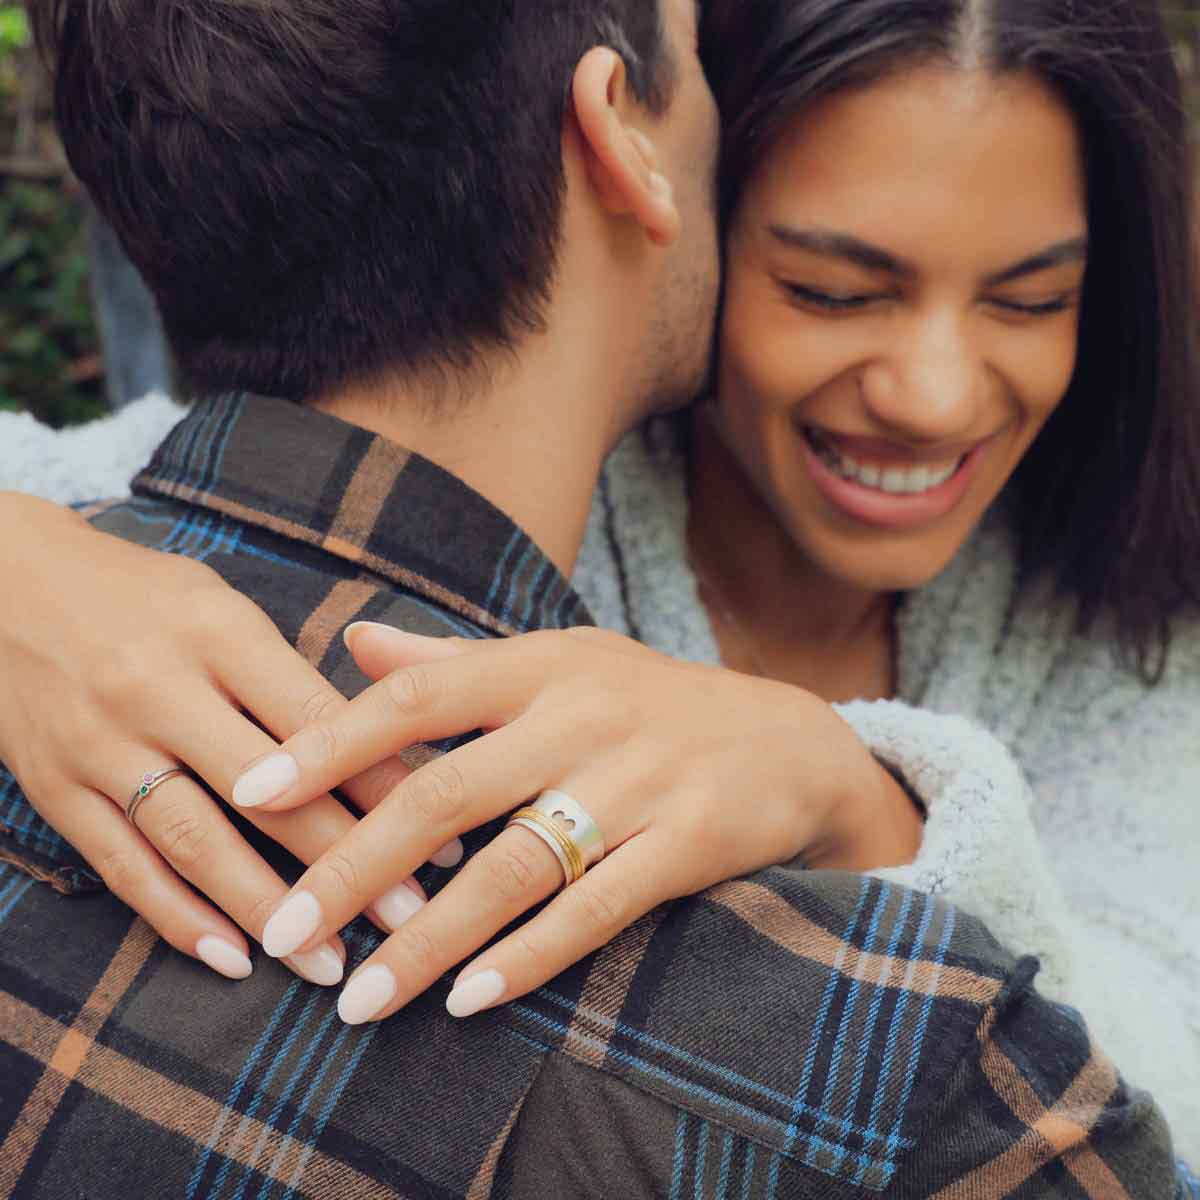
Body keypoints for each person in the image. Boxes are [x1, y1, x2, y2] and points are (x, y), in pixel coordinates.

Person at [6, 0, 1176, 1195]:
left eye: (1034, 300)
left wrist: (863, 798)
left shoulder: (1135, 611)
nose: (933, 396)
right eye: (830, 288)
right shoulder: (501, 459)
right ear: (647, 156)